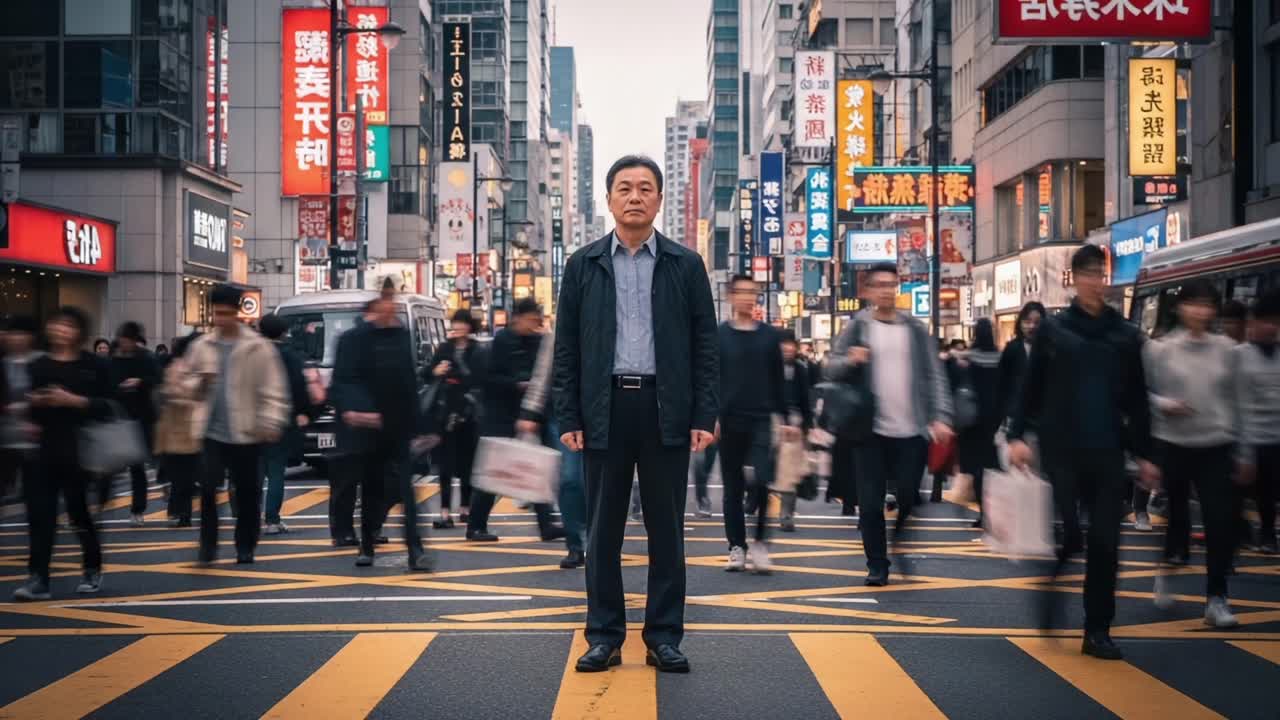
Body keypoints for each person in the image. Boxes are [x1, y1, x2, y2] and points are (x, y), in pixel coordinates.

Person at [554, 154, 718, 674]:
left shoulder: (685, 264)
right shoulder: (583, 265)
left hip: (665, 408)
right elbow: (567, 349)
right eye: (624, 188)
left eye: (645, 188)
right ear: (609, 199)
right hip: (604, 409)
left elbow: (704, 347)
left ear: (659, 199)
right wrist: (569, 417)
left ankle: (664, 637)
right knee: (602, 531)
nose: (635, 196)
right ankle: (603, 635)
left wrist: (703, 416)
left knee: (666, 530)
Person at [1008, 245, 1159, 660]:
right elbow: (1030, 388)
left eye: (1100, 273)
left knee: (1107, 542)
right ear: (1073, 278)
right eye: (1087, 273)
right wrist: (1017, 435)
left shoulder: (1125, 335)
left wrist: (1146, 455)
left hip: (1109, 450)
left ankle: (1097, 629)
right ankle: (1052, 587)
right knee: (1073, 535)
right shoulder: (1054, 331)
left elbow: (1138, 399)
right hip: (1063, 450)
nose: (1095, 280)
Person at [826, 262, 953, 587]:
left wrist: (941, 417)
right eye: (879, 284)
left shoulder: (914, 328)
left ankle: (897, 540)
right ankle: (877, 564)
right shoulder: (858, 326)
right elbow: (830, 368)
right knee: (869, 504)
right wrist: (850, 360)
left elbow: (934, 375)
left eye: (891, 284)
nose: (886, 290)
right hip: (869, 431)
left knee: (909, 497)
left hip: (911, 430)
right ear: (868, 290)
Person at [1143, 280, 1240, 627]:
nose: (1201, 311)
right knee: (1178, 522)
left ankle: (1217, 598)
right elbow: (1142, 395)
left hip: (1216, 444)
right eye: (1193, 304)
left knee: (1219, 521)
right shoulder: (1161, 350)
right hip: (1174, 444)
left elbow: (1236, 399)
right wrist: (1163, 404)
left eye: (1207, 304)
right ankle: (1167, 567)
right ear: (1180, 308)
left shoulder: (1227, 349)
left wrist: (1243, 451)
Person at [14, 307, 112, 601]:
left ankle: (92, 569)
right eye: (56, 324)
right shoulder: (39, 366)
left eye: (68, 326)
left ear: (79, 332)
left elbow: (107, 407)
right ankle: (38, 578)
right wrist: (34, 404)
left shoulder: (92, 366)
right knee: (41, 517)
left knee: (79, 514)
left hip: (80, 452)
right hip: (43, 452)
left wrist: (73, 401)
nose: (61, 330)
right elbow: (27, 404)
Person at [186, 285, 289, 565]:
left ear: (238, 313)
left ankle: (246, 545)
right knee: (207, 490)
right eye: (217, 313)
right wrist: (199, 382)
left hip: (246, 431)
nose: (222, 319)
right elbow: (183, 385)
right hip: (210, 432)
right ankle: (208, 545)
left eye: (227, 313)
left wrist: (271, 420)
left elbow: (273, 389)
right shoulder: (201, 346)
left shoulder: (258, 347)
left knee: (247, 493)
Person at [329, 294, 431, 571]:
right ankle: (367, 545)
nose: (392, 312)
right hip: (367, 428)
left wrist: (421, 427)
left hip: (397, 427)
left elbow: (410, 382)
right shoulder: (352, 340)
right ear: (371, 312)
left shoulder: (401, 337)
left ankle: (416, 550)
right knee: (373, 490)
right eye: (386, 307)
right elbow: (344, 381)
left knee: (407, 493)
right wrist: (360, 411)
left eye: (394, 308)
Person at [467, 299, 566, 543]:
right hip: (502, 415)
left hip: (533, 414)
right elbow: (489, 378)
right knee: (496, 472)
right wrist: (517, 385)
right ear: (518, 318)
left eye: (537, 321)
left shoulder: (538, 340)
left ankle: (546, 525)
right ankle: (475, 525)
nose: (535, 325)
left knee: (538, 470)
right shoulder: (501, 341)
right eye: (531, 320)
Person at [716, 274, 796, 573]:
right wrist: (709, 417)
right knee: (733, 487)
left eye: (754, 292)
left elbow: (779, 381)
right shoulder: (719, 335)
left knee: (762, 480)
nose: (749, 298)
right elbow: (711, 380)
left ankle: (761, 543)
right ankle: (737, 546)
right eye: (743, 292)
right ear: (731, 296)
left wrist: (786, 418)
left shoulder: (769, 336)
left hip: (762, 419)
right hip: (729, 419)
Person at [517, 320, 588, 569]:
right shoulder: (560, 330)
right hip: (562, 415)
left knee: (592, 481)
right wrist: (531, 412)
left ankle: (593, 537)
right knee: (569, 480)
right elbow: (543, 372)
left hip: (598, 414)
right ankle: (575, 545)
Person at [258, 314, 314, 535]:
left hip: (252, 418)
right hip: (281, 418)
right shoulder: (290, 355)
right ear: (283, 332)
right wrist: (304, 412)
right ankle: (272, 520)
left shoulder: (253, 353)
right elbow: (300, 387)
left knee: (253, 472)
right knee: (276, 471)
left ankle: (248, 518)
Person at [428, 310, 484, 530]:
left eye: (462, 323)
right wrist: (436, 370)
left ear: (470, 326)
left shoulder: (477, 350)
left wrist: (460, 368)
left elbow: (478, 379)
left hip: (468, 414)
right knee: (444, 465)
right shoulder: (444, 348)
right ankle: (444, 512)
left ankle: (465, 509)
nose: (458, 327)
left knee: (467, 464)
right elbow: (426, 373)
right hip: (445, 413)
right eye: (455, 323)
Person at [1237, 290, 1280, 555]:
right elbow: (1240, 405)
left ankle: (1267, 534)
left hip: (1276, 438)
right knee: (1244, 491)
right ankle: (1241, 532)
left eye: (1276, 321)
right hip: (1250, 437)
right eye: (1266, 321)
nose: (1272, 327)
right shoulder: (1240, 356)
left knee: (1268, 493)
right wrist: (1244, 452)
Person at [110, 321, 160, 526]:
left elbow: (158, 378)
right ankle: (102, 501)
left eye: (128, 341)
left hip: (141, 417)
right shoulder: (114, 358)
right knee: (112, 464)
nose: (125, 344)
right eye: (122, 340)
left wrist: (139, 382)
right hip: (118, 416)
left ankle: (137, 509)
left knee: (137, 466)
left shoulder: (146, 358)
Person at [154, 332, 203, 527]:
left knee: (185, 476)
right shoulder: (180, 367)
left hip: (188, 429)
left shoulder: (185, 366)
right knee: (184, 475)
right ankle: (182, 513)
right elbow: (172, 394)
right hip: (181, 428)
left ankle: (182, 513)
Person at [956, 319, 1002, 528]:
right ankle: (996, 512)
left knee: (977, 468)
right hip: (994, 418)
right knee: (994, 467)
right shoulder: (1000, 357)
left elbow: (960, 383)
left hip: (973, 419)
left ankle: (984, 512)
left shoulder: (968, 358)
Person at [1, 318, 41, 505]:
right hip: (7, 436)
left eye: (21, 333)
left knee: (35, 493)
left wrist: (31, 406)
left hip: (36, 438)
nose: (16, 338)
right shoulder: (4, 363)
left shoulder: (41, 361)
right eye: (13, 334)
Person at [778, 329, 811, 532]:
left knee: (790, 472)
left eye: (791, 343)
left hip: (795, 426)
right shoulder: (769, 367)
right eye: (784, 343)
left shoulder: (801, 369)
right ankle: (754, 499)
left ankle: (786, 514)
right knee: (765, 469)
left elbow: (806, 400)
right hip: (773, 423)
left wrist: (808, 426)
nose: (788, 347)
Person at [998, 301, 1046, 421]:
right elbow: (1002, 383)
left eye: (1037, 322)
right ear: (1020, 323)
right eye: (1027, 321)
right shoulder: (1012, 348)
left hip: (1043, 415)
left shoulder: (1050, 348)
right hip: (1015, 414)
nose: (1032, 326)